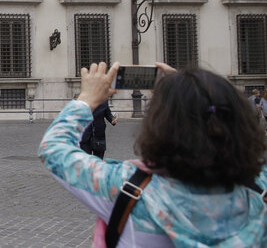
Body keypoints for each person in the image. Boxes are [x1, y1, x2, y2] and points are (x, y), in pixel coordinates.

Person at [39, 62, 267, 246]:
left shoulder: (126, 185)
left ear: (160, 126)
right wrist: (196, 93)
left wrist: (86, 99)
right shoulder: (259, 188)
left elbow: (55, 149)